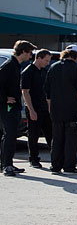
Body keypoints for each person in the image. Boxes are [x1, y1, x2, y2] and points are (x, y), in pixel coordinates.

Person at [44, 45, 77, 174]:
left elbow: (48, 93)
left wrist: (51, 109)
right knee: (71, 140)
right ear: (76, 56)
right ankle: (69, 166)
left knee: (57, 139)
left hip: (56, 111)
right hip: (73, 111)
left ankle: (55, 165)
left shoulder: (53, 67)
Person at [1, 40, 37, 176]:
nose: (30, 56)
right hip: (8, 107)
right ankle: (6, 165)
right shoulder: (9, 66)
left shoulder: (16, 66)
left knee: (12, 135)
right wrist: (5, 99)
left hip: (14, 106)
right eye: (29, 53)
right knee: (9, 135)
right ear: (23, 52)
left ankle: (9, 163)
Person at [21, 48, 53, 169]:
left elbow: (47, 92)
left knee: (50, 134)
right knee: (33, 135)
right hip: (34, 108)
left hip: (44, 108)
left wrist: (49, 107)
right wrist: (31, 110)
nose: (47, 63)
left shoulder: (44, 72)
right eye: (46, 60)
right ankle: (34, 159)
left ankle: (55, 158)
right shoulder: (28, 72)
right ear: (38, 58)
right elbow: (25, 92)